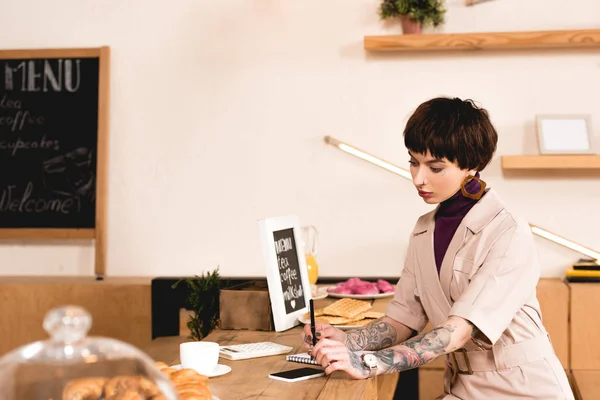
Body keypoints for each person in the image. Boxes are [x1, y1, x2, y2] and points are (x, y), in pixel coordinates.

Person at [303, 97, 574, 399]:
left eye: (435, 167)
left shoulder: (507, 232)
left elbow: (458, 330)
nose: (419, 178)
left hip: (524, 388)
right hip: (463, 385)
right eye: (413, 162)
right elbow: (404, 318)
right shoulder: (423, 230)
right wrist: (348, 341)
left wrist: (368, 362)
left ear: (471, 165)